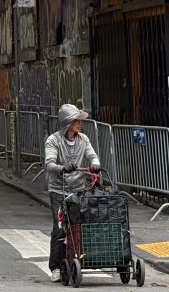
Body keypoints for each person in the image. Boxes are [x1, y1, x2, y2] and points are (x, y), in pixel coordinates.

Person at [44, 104, 100, 283]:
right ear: (67, 123)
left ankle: (75, 261)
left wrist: (95, 164)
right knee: (60, 228)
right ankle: (55, 267)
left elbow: (92, 155)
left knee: (78, 226)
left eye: (80, 120)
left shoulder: (83, 139)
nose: (79, 123)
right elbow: (49, 164)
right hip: (58, 190)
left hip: (78, 190)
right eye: (76, 120)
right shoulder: (53, 140)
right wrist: (62, 168)